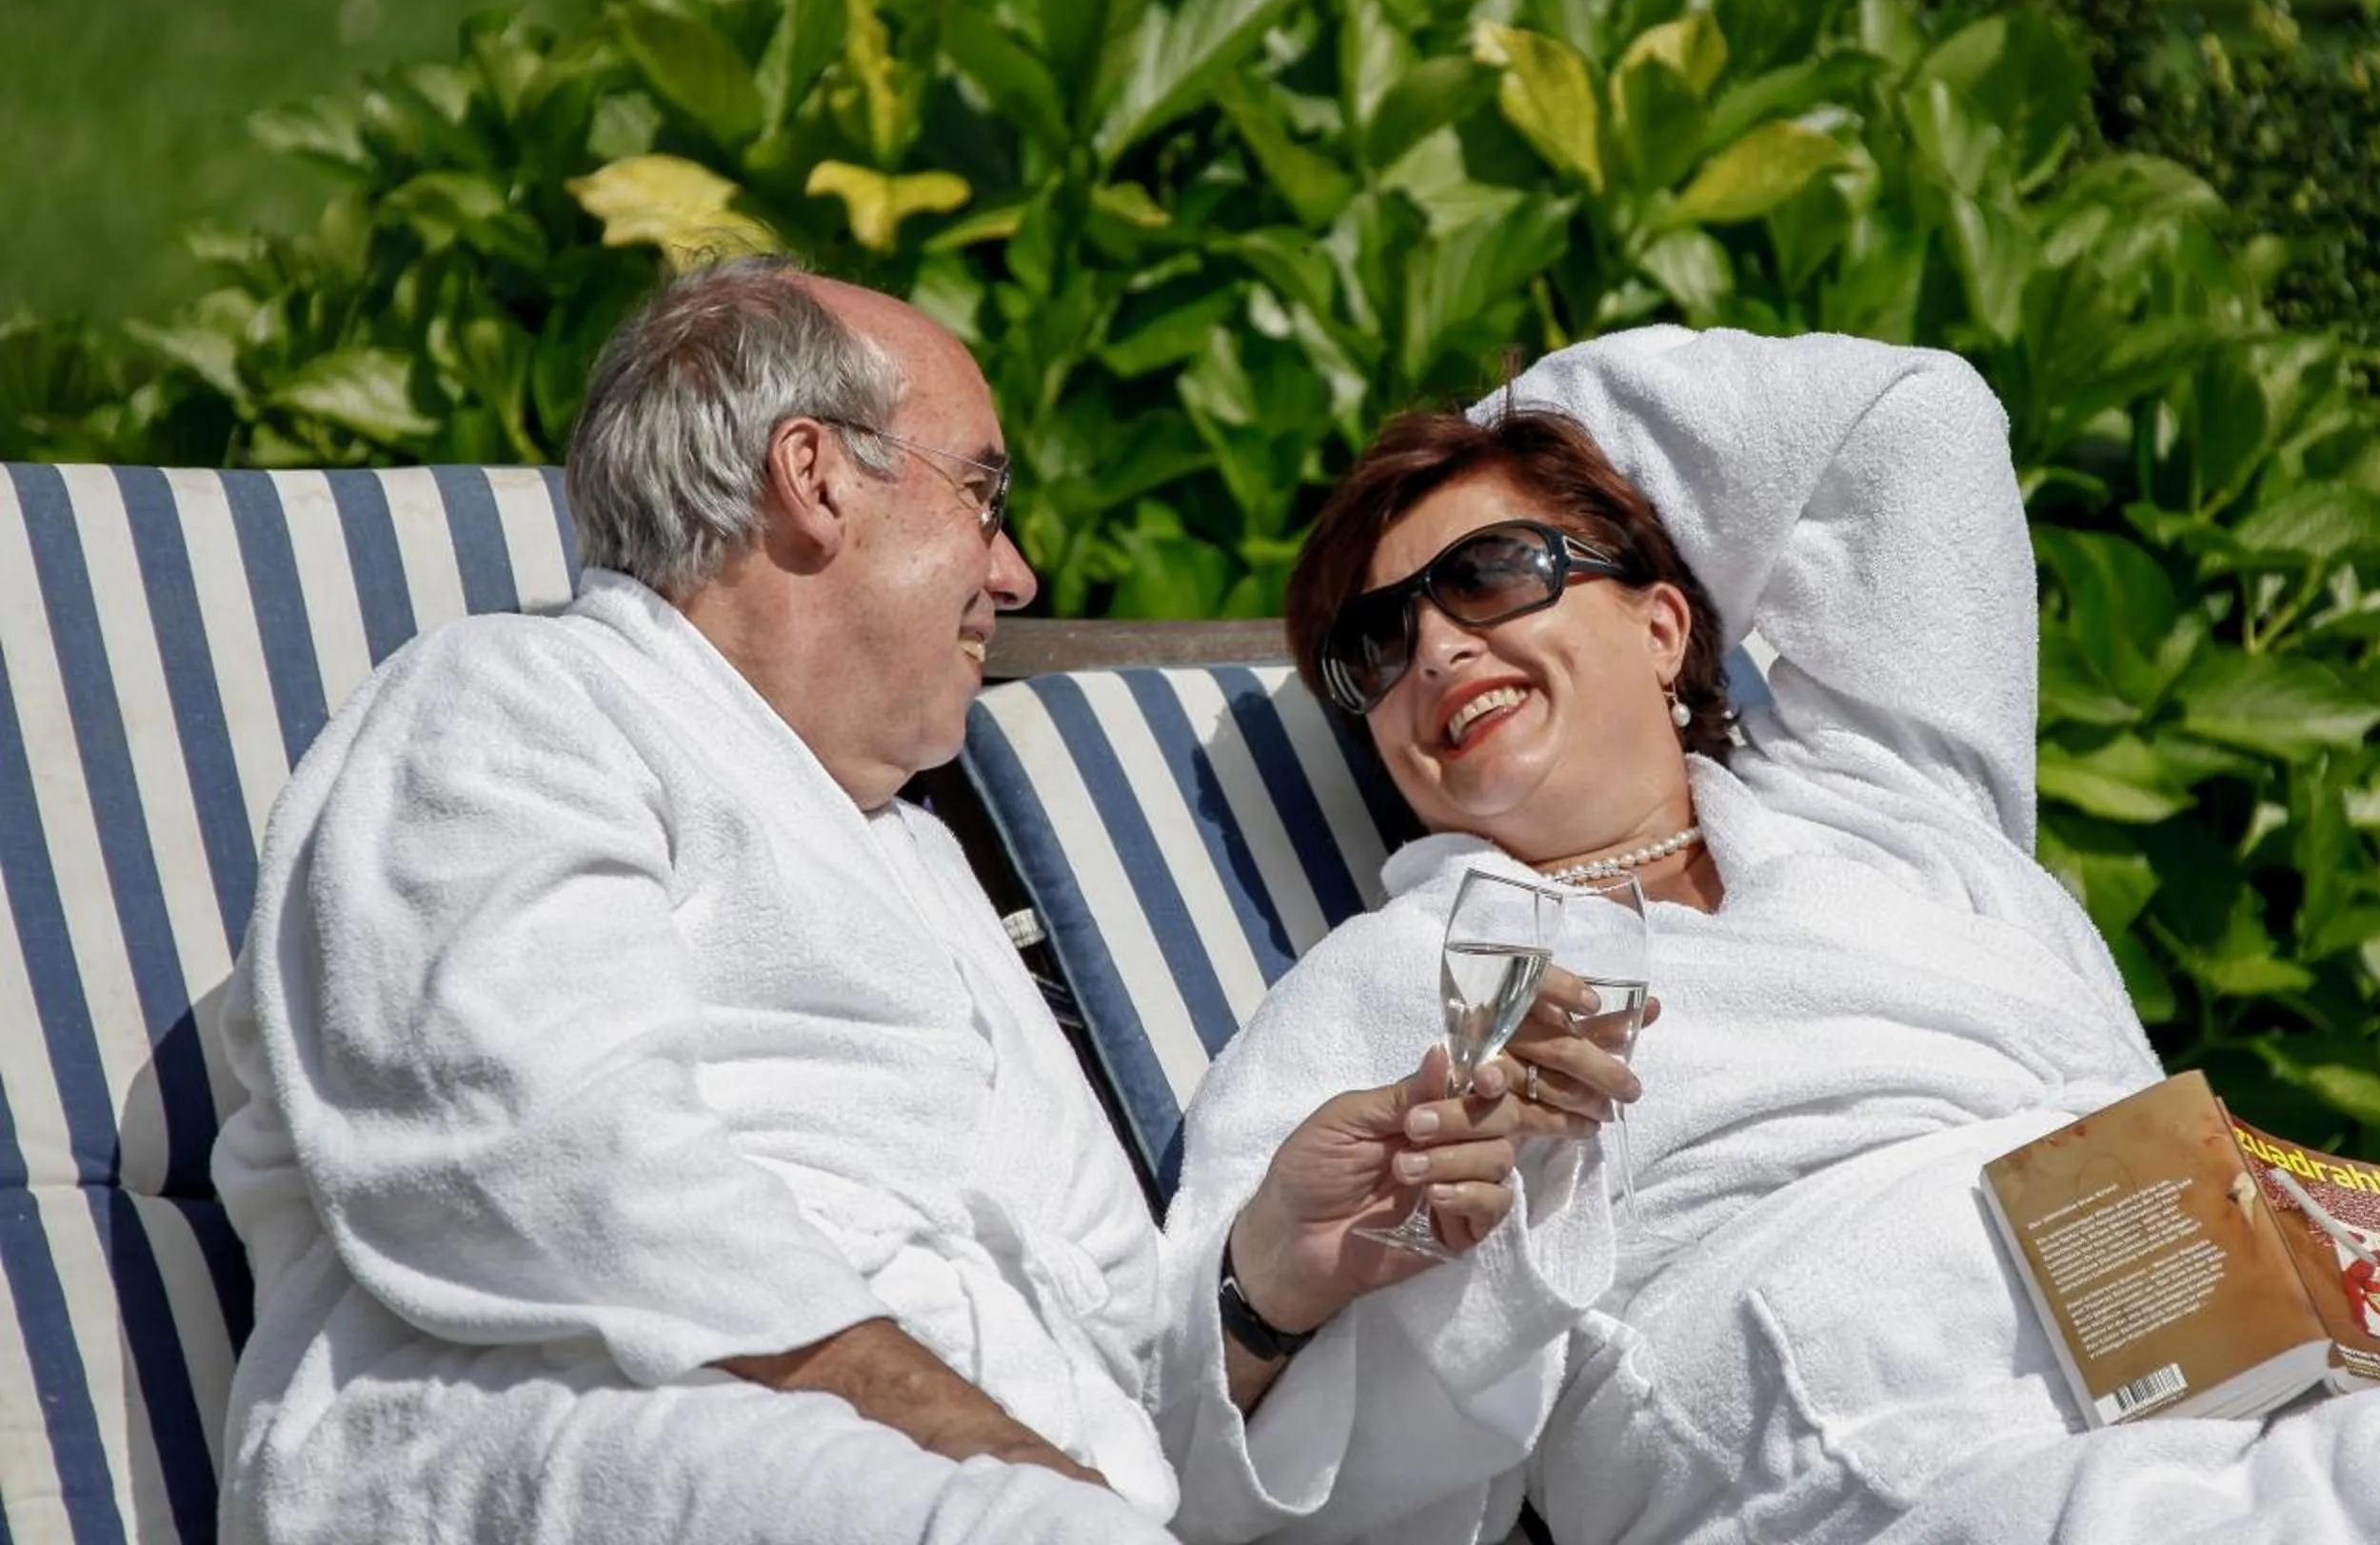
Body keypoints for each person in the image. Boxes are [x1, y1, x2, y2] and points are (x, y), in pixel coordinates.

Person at [1159, 325, 2380, 1544]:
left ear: (1665, 625)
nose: (1434, 645)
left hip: (2214, 1332)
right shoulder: (1398, 974)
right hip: (1868, 1452)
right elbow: (1189, 1432)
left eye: (1492, 575)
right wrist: (1290, 1271)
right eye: (1376, 644)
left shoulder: (1881, 806)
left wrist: (1509, 438)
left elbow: (1908, 420)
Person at [209, 255, 1582, 1545]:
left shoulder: (908, 856)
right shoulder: (515, 706)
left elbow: (1103, 1392)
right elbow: (556, 1158)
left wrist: (1274, 1273)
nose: (1017, 574)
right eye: (983, 496)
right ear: (813, 476)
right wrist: (1013, 1470)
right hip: (563, 1441)